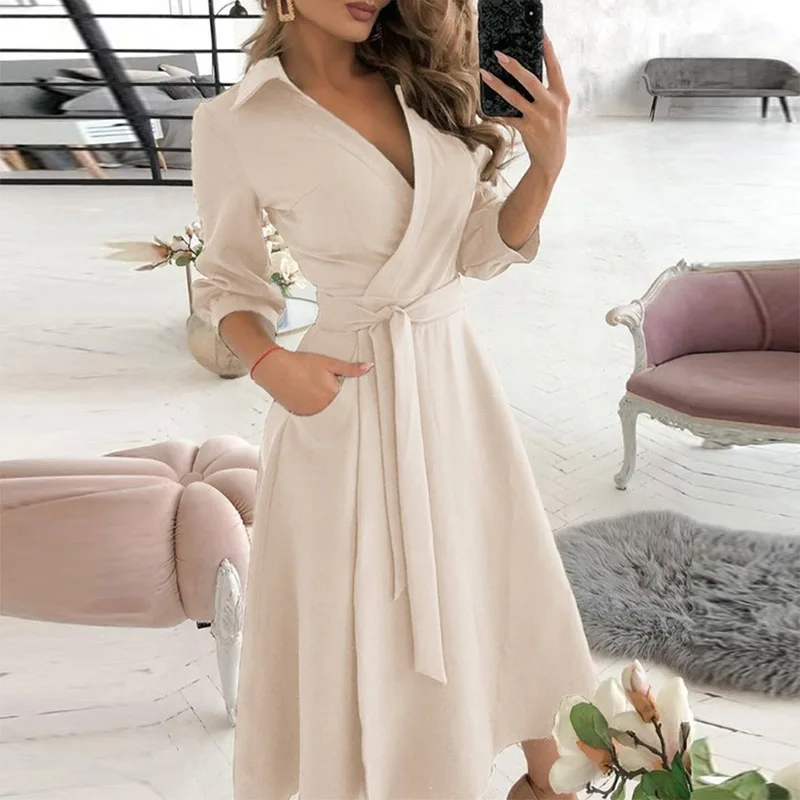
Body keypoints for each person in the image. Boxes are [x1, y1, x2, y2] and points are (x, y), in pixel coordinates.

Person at [190, 0, 597, 796]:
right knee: (375, 626)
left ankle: (546, 782)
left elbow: (476, 251)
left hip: (453, 382)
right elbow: (228, 281)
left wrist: (546, 169)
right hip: (342, 401)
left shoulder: (423, 83)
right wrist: (270, 362)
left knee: (505, 582)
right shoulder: (235, 122)